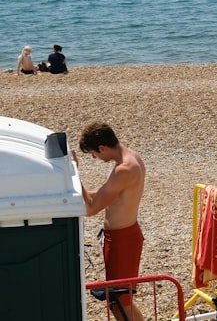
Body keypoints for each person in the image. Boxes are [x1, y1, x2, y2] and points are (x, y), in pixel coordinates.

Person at [74, 122, 146, 321]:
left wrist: (74, 174)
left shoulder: (123, 170)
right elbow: (106, 195)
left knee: (120, 302)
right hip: (123, 236)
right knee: (121, 300)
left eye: (93, 154)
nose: (94, 158)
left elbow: (90, 208)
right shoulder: (133, 157)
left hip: (123, 240)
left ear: (102, 148)